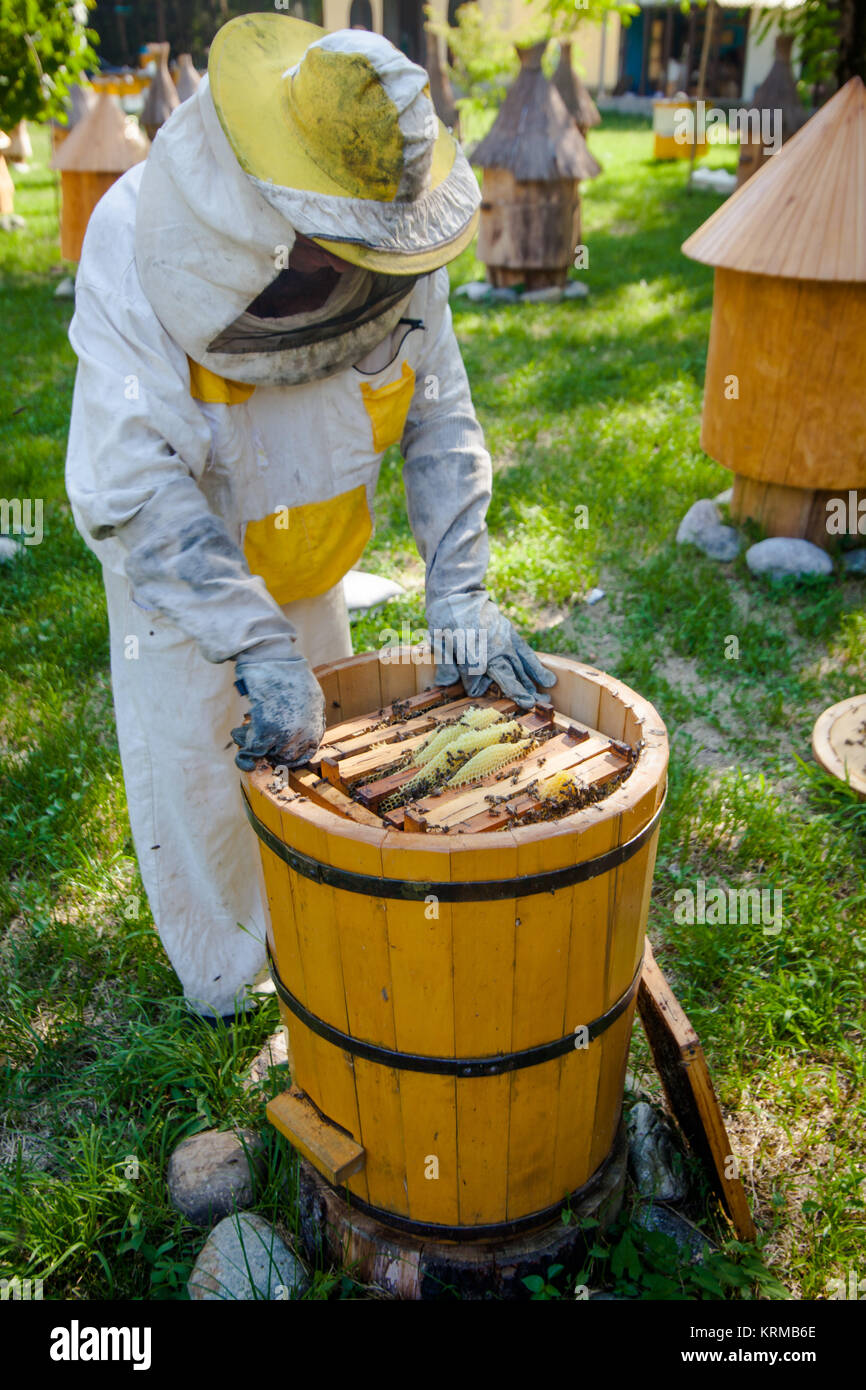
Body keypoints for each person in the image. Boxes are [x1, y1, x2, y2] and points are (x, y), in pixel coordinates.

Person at [65, 14, 555, 1023]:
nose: (360, 275)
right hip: (186, 584)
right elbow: (130, 483)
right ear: (268, 218)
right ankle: (225, 976)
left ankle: (314, 943)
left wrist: (458, 579)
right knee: (206, 766)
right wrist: (248, 640)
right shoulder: (131, 238)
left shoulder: (399, 236)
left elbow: (438, 415)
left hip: (317, 560)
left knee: (316, 768)